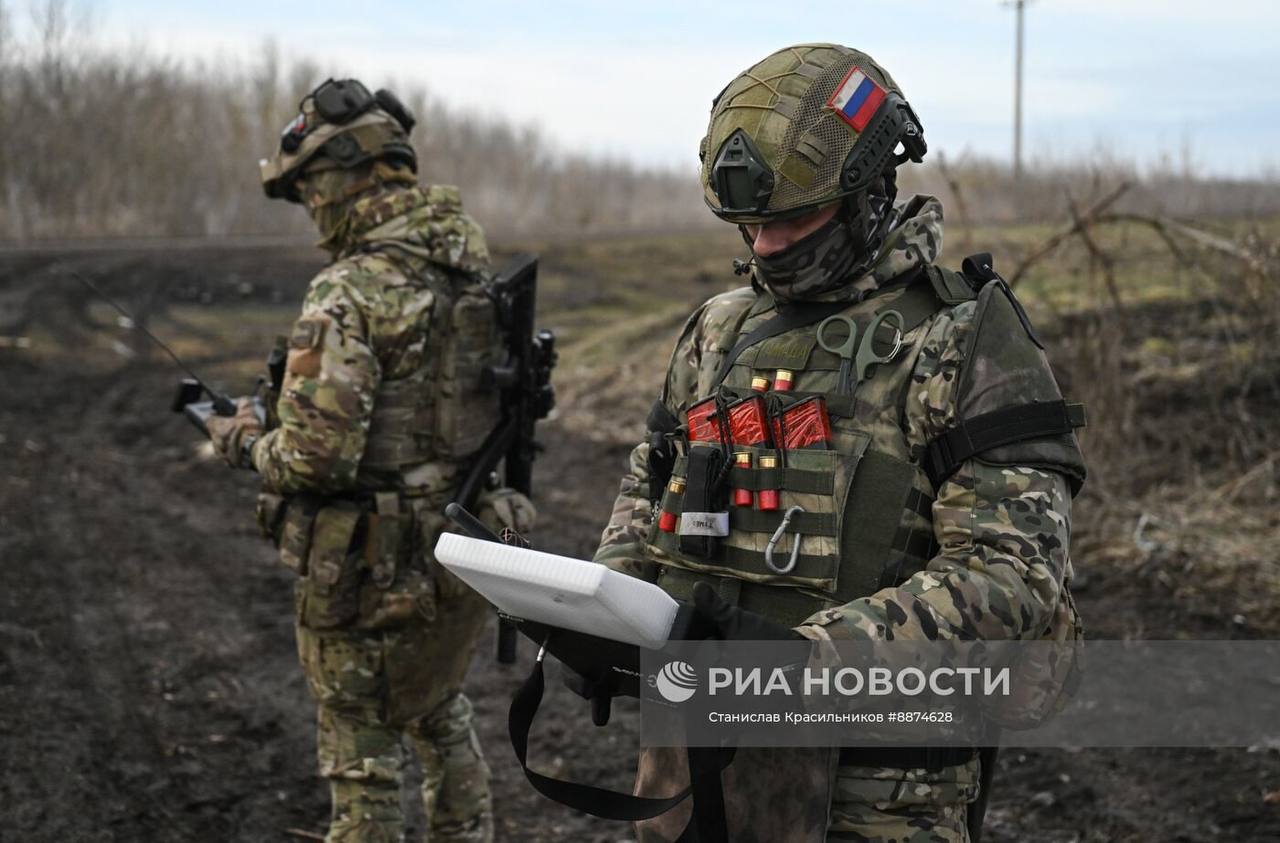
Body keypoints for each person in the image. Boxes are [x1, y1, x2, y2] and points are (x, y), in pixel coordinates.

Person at [592, 44, 1086, 841]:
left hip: (881, 799)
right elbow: (650, 489)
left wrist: (801, 659)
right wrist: (602, 608)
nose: (765, 246)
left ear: (865, 191)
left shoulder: (965, 341)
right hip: (696, 775)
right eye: (750, 223)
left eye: (790, 218)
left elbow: (1012, 580)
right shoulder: (719, 331)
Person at [207, 78, 533, 843]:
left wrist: (244, 441)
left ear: (341, 180)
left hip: (367, 570)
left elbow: (317, 458)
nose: (312, 209)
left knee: (360, 750)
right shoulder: (470, 277)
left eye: (311, 189)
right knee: (439, 709)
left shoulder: (350, 289)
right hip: (457, 550)